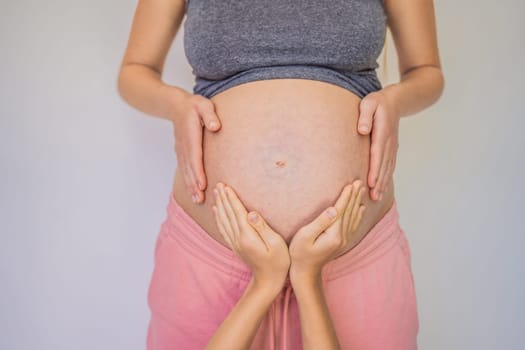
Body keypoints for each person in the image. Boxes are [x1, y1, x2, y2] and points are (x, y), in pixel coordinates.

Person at [117, 0, 444, 349]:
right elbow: (134, 71)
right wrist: (175, 106)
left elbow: (426, 71)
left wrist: (395, 100)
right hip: (211, 252)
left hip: (353, 249)